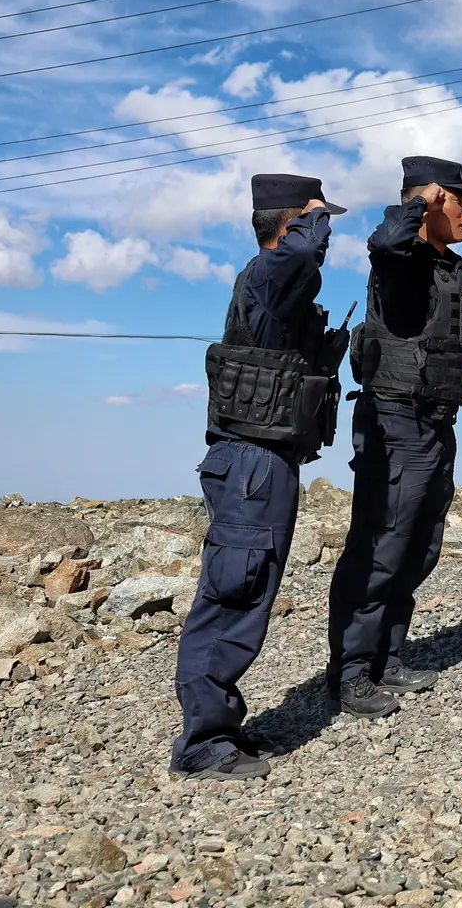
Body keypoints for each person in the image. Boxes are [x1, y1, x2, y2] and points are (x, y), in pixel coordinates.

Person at [171, 173, 349, 780]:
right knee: (232, 595)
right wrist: (314, 216)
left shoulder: (280, 289)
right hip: (249, 462)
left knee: (248, 596)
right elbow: (300, 248)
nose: (327, 230)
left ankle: (224, 726)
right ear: (292, 218)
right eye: (317, 216)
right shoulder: (268, 273)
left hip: (266, 460)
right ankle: (201, 744)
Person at [326, 158, 462, 716]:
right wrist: (421, 199)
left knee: (420, 545)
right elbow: (388, 240)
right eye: (458, 199)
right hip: (394, 421)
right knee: (381, 547)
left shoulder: (451, 269)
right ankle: (350, 672)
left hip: (437, 421)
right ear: (434, 199)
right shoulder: (401, 260)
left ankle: (385, 657)